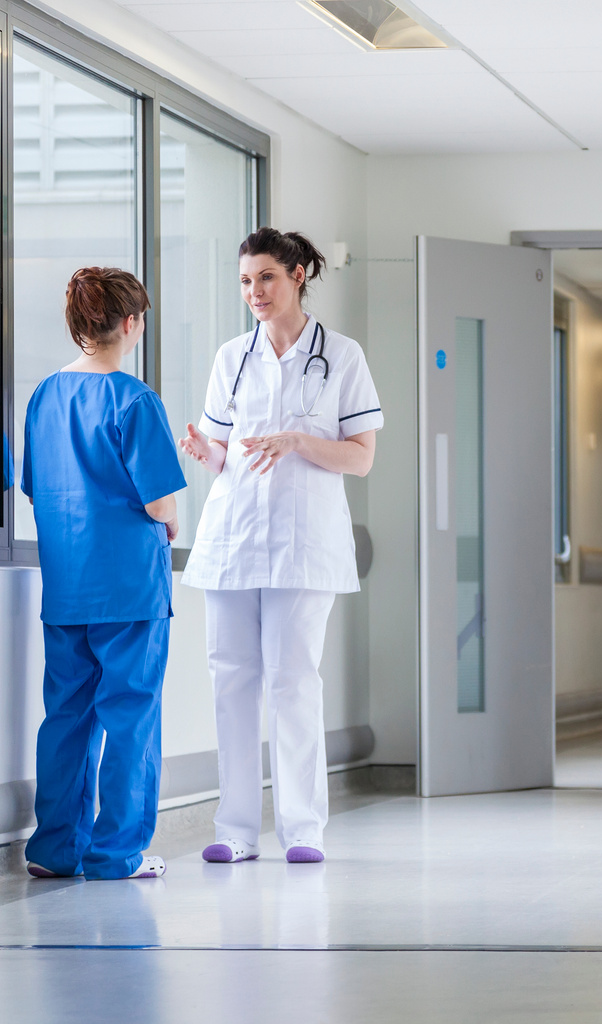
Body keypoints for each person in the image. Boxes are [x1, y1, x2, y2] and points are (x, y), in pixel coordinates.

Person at [178, 228, 382, 864]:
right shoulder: (231, 357)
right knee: (231, 681)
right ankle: (235, 832)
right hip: (233, 538)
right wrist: (203, 449)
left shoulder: (342, 355)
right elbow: (224, 453)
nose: (254, 292)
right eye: (245, 281)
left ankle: (302, 829)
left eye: (265, 277)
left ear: (297, 276)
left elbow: (362, 458)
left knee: (294, 682)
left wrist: (297, 441)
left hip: (304, 542)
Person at [21, 267, 187, 880]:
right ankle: (118, 853)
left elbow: (37, 490)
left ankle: (54, 850)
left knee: (66, 717)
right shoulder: (136, 400)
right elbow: (160, 502)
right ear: (131, 323)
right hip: (129, 591)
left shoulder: (43, 397)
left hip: (67, 589)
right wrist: (171, 523)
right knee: (131, 718)